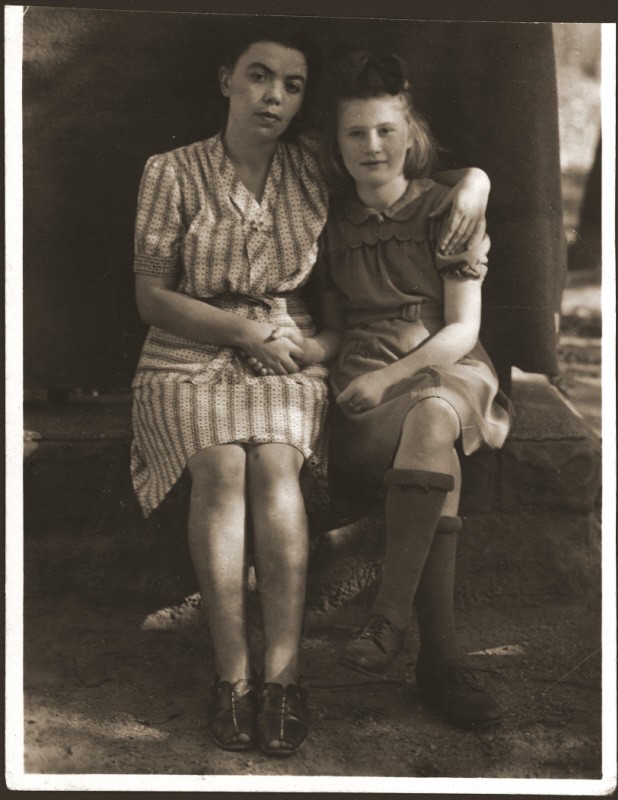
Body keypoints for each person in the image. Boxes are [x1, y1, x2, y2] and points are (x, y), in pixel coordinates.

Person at [130, 22, 492, 756]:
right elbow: (151, 297)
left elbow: (401, 172)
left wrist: (478, 183)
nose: (274, 96)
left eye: (293, 85)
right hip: (187, 350)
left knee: (275, 462)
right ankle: (233, 677)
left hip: (292, 351)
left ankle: (287, 677)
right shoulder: (171, 170)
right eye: (260, 76)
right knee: (220, 463)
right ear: (226, 78)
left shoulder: (310, 169)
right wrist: (245, 336)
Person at [308, 49, 513, 729]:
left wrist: (395, 375)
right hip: (364, 375)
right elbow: (336, 322)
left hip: (446, 365)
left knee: (432, 416)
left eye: (386, 130)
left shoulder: (446, 209)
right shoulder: (329, 221)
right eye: (356, 133)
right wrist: (361, 375)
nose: (373, 145)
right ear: (337, 147)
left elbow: (461, 329)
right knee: (434, 447)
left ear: (409, 133)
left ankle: (390, 619)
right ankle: (440, 663)